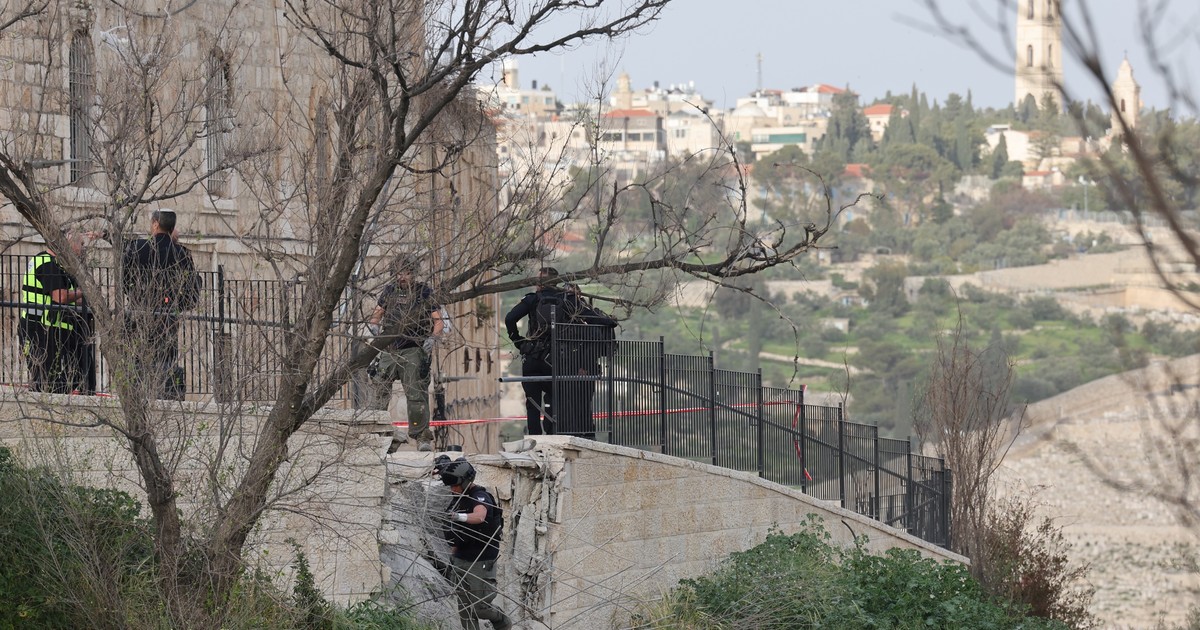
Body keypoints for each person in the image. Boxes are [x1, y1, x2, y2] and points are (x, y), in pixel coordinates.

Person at [123, 209, 201, 400]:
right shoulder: (181, 254)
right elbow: (192, 292)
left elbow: (125, 281)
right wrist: (176, 305)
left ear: (155, 224)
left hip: (140, 314)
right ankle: (163, 398)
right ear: (172, 227)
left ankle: (138, 397)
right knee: (166, 361)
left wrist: (137, 297)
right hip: (168, 318)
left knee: (138, 361)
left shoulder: (137, 248)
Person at [368, 255, 443, 452]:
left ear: (414, 274)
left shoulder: (423, 292)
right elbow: (377, 315)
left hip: (413, 349)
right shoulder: (389, 291)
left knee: (416, 394)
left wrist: (432, 339)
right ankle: (377, 433)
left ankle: (422, 437)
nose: (402, 277)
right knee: (380, 390)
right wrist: (374, 329)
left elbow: (438, 321)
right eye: (399, 273)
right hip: (390, 349)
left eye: (407, 273)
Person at [439, 459, 511, 630]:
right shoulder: (458, 498)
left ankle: (502, 622)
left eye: (455, 485)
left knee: (479, 606)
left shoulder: (479, 496)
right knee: (465, 608)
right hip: (461, 558)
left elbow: (479, 516)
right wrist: (453, 555)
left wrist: (458, 517)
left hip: (480, 560)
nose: (452, 489)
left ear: (465, 482)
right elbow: (455, 533)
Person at [19, 234, 93, 393]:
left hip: (50, 328)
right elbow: (60, 297)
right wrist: (84, 291)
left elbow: (68, 297)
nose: (83, 248)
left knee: (63, 376)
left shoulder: (55, 264)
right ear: (68, 243)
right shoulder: (48, 265)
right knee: (46, 379)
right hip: (41, 329)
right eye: (80, 244)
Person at [504, 267, 568, 436]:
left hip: (532, 356)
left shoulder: (532, 299)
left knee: (532, 402)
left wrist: (519, 342)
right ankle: (552, 433)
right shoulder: (565, 300)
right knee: (554, 399)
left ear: (540, 283)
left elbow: (510, 318)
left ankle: (535, 437)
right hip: (556, 359)